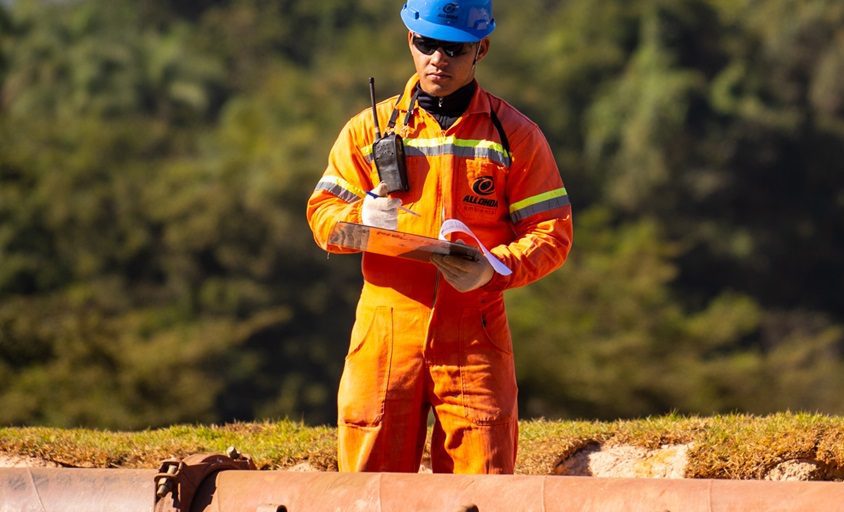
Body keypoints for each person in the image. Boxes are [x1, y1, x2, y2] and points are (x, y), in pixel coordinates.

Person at [306, 0, 573, 474]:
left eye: (453, 49)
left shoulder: (515, 136)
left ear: (481, 49)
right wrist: (360, 216)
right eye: (427, 44)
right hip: (385, 328)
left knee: (483, 482)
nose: (438, 59)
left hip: (475, 331)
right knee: (371, 488)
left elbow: (551, 233)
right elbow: (322, 214)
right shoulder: (367, 129)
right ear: (410, 40)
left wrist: (495, 268)